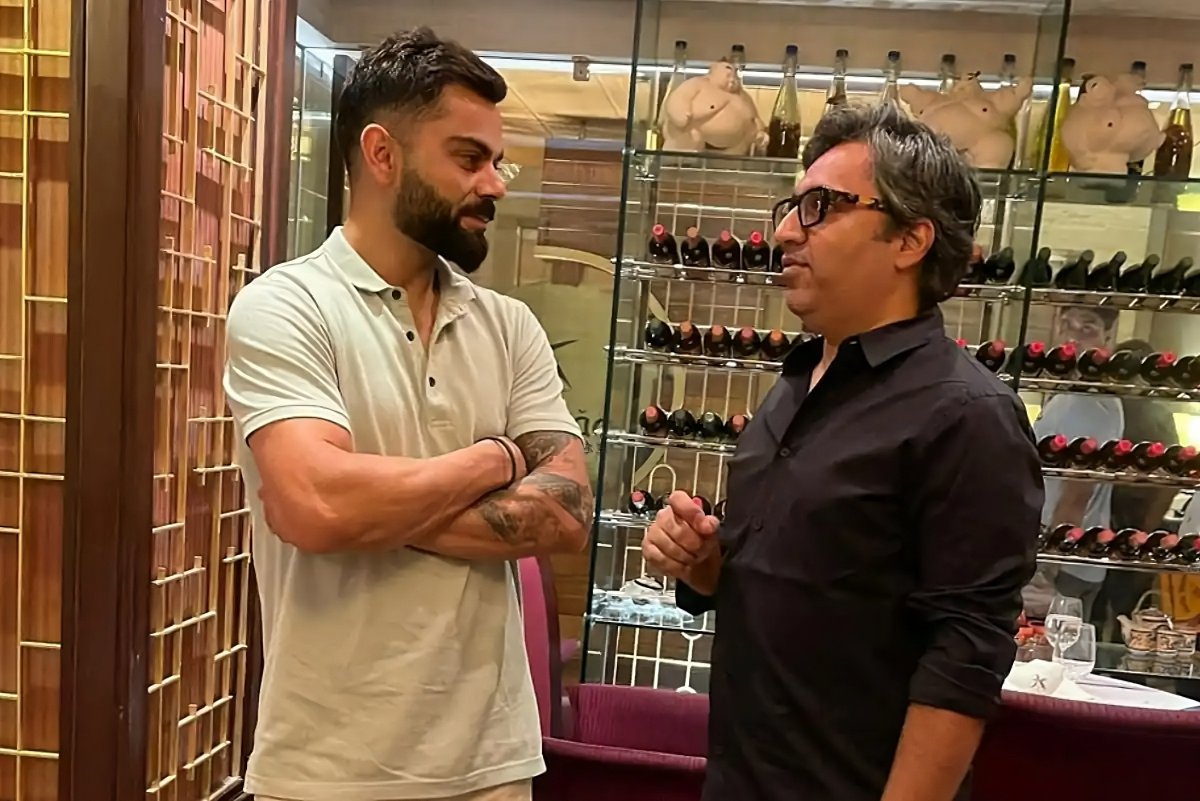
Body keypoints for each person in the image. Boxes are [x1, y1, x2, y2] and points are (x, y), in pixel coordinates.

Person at [223, 29, 593, 801]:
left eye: (498, 162)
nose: (494, 185)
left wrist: (363, 509)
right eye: (469, 158)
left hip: (492, 765)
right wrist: (496, 459)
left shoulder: (509, 327)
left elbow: (566, 512)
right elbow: (316, 503)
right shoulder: (285, 308)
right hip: (324, 770)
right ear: (382, 154)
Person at [641, 103, 1043, 801]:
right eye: (792, 206)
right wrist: (703, 563)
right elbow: (797, 586)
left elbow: (966, 656)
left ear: (910, 239)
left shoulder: (967, 415)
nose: (785, 230)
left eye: (821, 207)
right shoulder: (794, 386)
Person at [1024, 306, 1123, 620]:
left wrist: (1045, 572)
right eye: (1066, 324)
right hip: (1070, 560)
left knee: (1054, 645)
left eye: (1087, 327)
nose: (1072, 337)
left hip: (1064, 566)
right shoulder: (1071, 393)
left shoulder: (1089, 402)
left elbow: (1077, 493)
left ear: (1108, 335)